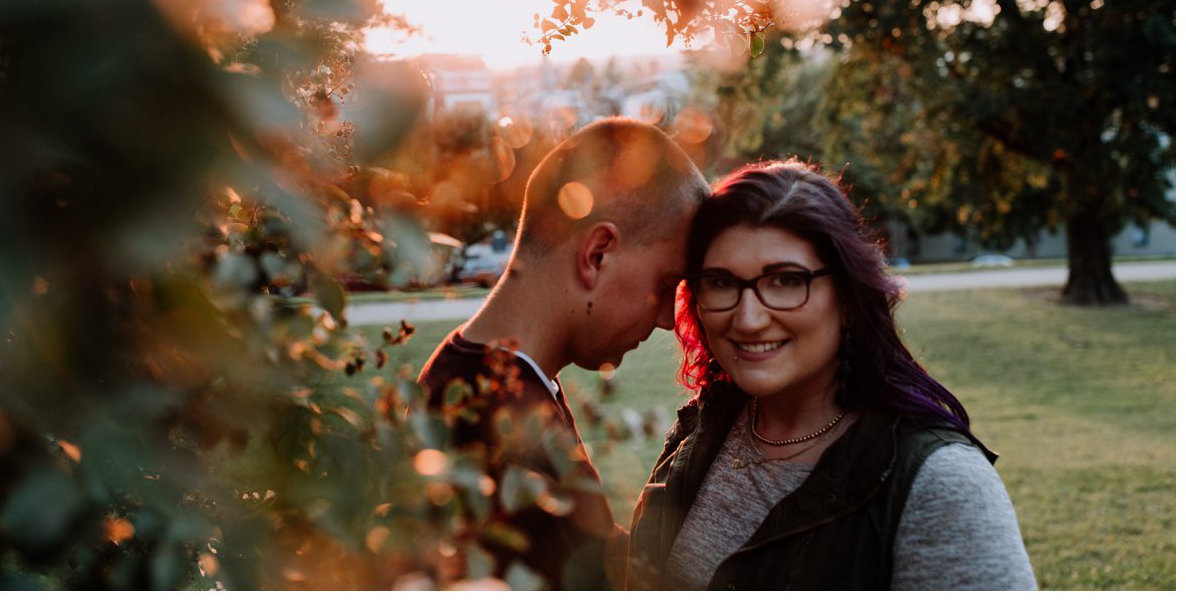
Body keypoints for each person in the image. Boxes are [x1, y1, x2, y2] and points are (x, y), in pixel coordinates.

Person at [626, 160, 1037, 590]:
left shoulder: (941, 485)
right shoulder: (706, 424)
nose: (748, 319)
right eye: (722, 283)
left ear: (848, 297)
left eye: (786, 281)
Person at [418, 117, 709, 590]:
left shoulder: (486, 377)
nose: (667, 319)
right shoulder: (500, 429)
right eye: (664, 285)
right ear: (597, 254)